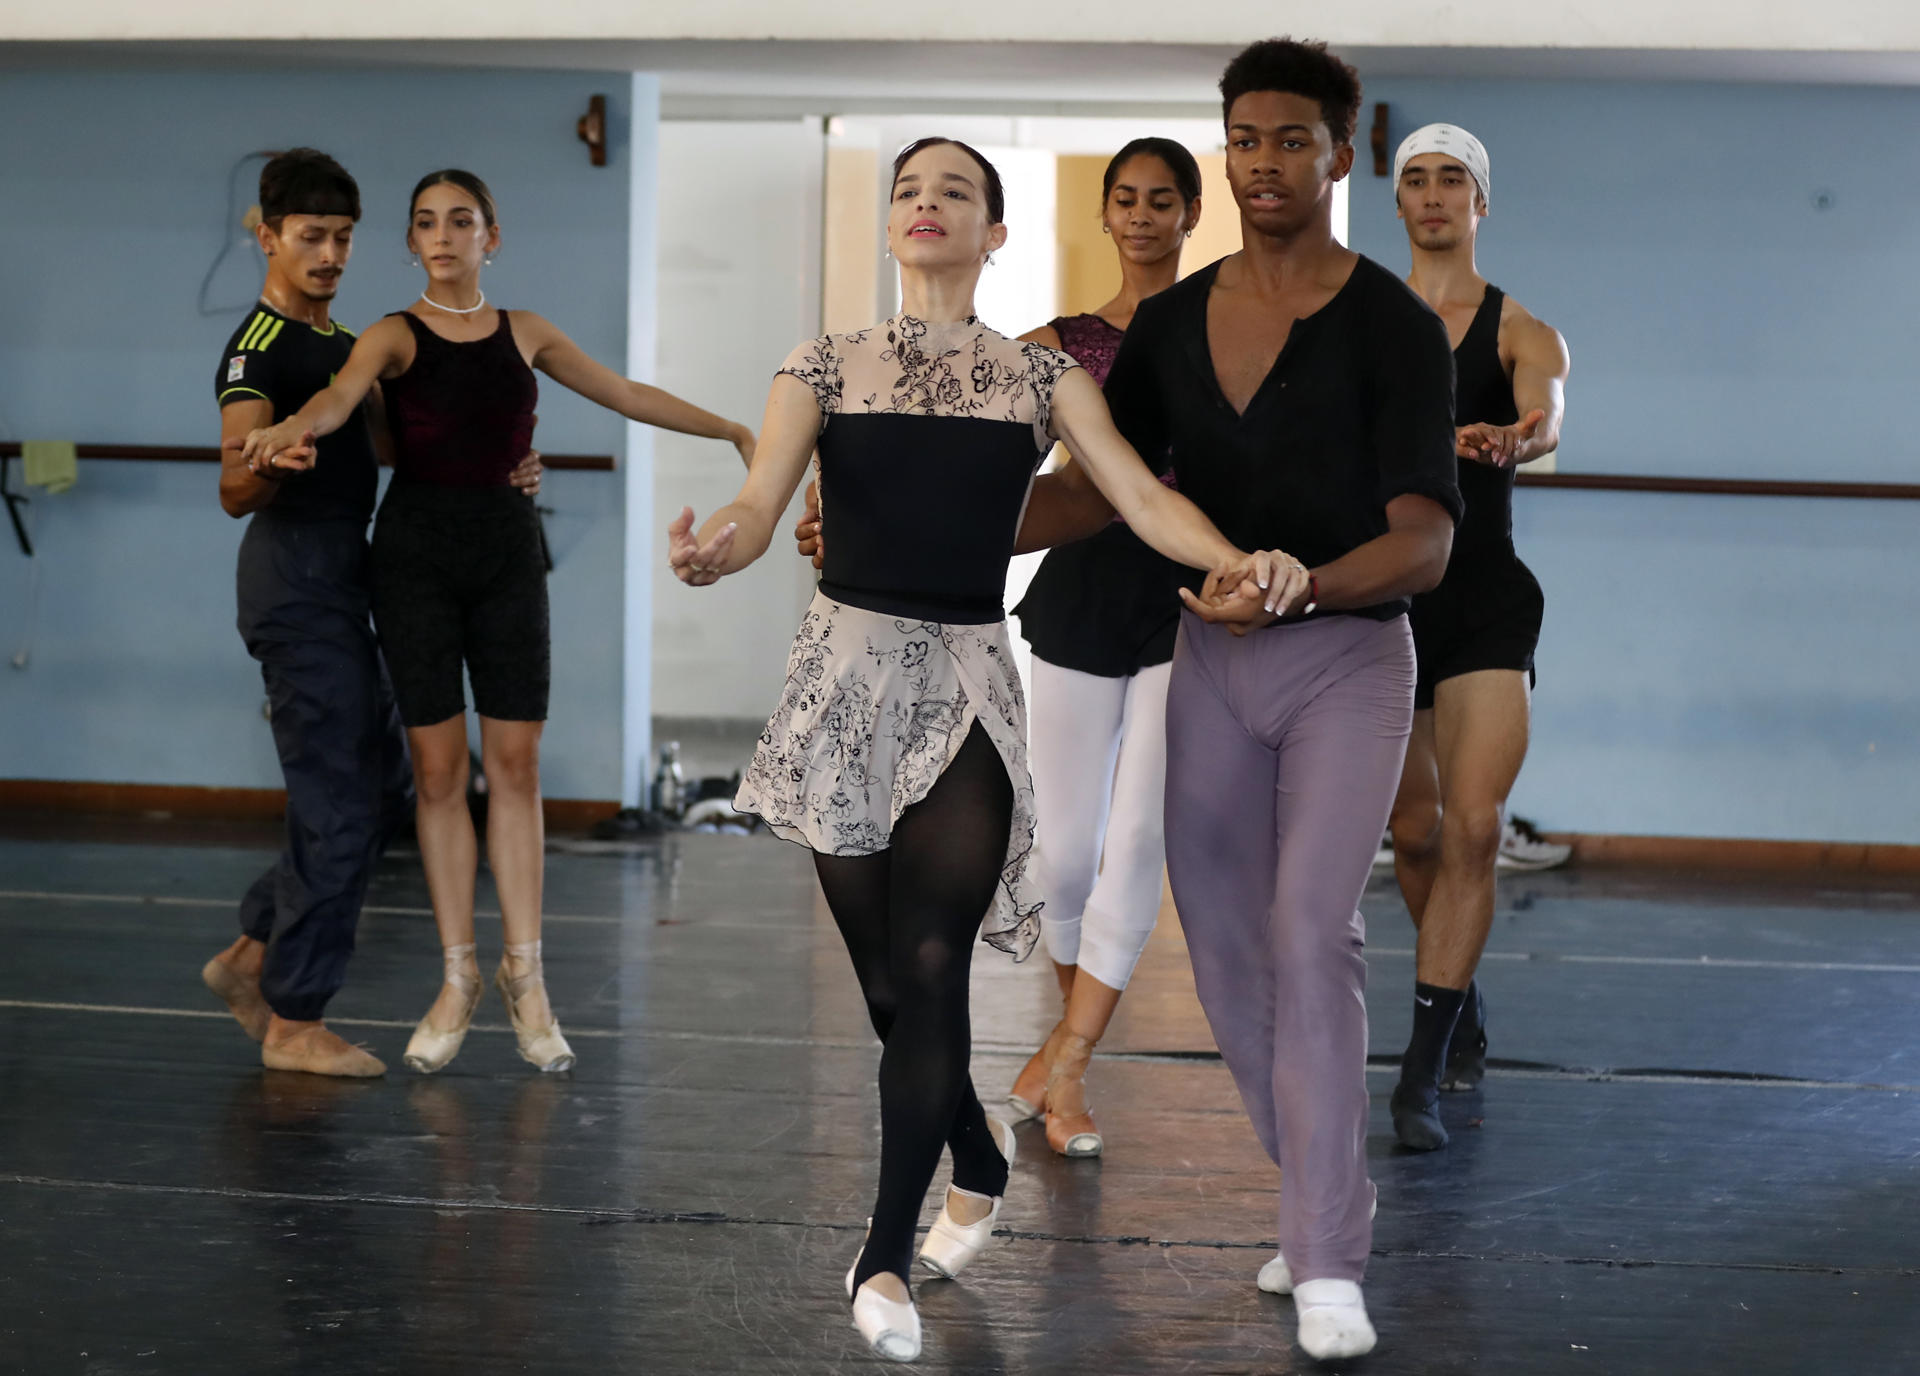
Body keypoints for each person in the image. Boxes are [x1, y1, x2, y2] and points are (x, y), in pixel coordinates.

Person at [667, 136, 1276, 1365]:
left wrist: (1231, 558)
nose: (926, 205)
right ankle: (982, 1159)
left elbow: (1139, 499)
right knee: (891, 989)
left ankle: (884, 1251)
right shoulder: (823, 361)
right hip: (843, 685)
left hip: (964, 685)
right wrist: (714, 546)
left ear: (996, 233)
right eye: (908, 190)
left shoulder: (1039, 376)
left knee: (934, 960)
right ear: (890, 228)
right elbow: (760, 502)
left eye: (955, 191)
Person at [1016, 39, 1462, 1361]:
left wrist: (1300, 589)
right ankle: (1314, 1186)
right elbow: (1101, 489)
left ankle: (1329, 1255)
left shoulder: (1390, 323)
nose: (1267, 162)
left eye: (1293, 140)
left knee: (1311, 925)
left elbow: (1427, 542)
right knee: (1222, 948)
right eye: (1247, 140)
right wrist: (942, 522)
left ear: (1342, 150)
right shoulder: (1166, 323)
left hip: (1345, 659)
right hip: (1209, 663)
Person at [242, 168, 755, 1077]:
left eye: (462, 222)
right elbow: (338, 396)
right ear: (410, 242)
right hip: (415, 559)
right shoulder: (392, 335)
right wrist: (292, 429)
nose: (443, 237)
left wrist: (736, 432)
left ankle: (529, 978)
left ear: (493, 236)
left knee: (515, 766)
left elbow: (625, 392)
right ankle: (457, 977)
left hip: (508, 557)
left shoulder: (527, 333)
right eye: (426, 224)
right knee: (440, 774)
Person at [797, 137, 1206, 1159]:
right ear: (1106, 215)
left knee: (1138, 840)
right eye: (1126, 199)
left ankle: (1068, 1061)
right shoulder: (1050, 346)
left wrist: (1247, 560)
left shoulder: (1223, 330)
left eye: (1164, 199)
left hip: (1190, 589)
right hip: (1079, 591)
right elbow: (977, 487)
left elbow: (1166, 490)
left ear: (1192, 213)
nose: (1144, 215)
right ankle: (1047, 1070)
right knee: (1063, 851)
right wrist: (853, 525)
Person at [203, 148, 542, 1078]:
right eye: (310, 236)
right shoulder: (258, 348)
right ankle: (292, 1020)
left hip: (352, 576)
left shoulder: (346, 340)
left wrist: (508, 461)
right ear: (264, 234)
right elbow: (234, 481)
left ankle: (249, 956)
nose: (329, 253)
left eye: (343, 237)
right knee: (341, 800)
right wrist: (266, 463)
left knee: (390, 787)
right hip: (295, 580)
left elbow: (411, 445)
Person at [1382, 124, 1571, 1151]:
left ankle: (1419, 1070)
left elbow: (1546, 417)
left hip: (1487, 593)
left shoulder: (1519, 328)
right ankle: (1459, 997)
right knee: (1413, 834)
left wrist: (1514, 435)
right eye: (1415, 178)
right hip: (1389, 594)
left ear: (1479, 202)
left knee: (1474, 827)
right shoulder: (1360, 322)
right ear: (1399, 201)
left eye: (1452, 178)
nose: (1434, 194)